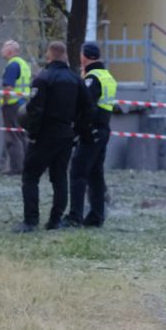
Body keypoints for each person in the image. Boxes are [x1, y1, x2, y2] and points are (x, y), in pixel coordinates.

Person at [15, 41, 91, 233]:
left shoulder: (44, 78)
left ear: (49, 57)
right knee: (59, 178)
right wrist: (76, 130)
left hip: (44, 135)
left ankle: (31, 221)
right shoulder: (76, 80)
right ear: (65, 57)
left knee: (30, 177)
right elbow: (88, 109)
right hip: (65, 134)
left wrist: (33, 133)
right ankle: (55, 220)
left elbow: (35, 110)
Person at [66, 42, 115, 227]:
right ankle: (96, 216)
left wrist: (79, 130)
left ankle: (75, 217)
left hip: (91, 131)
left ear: (84, 56)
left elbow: (86, 106)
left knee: (78, 173)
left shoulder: (92, 78)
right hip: (103, 130)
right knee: (96, 175)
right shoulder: (107, 75)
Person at [0, 40, 32, 175]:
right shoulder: (24, 64)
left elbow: (8, 87)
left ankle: (17, 168)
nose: (1, 50)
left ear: (10, 51)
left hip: (12, 105)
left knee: (13, 137)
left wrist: (5, 102)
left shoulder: (12, 65)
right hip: (23, 103)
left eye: (3, 47)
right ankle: (27, 166)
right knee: (22, 136)